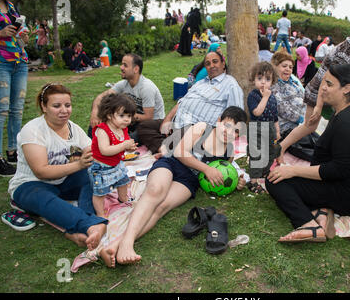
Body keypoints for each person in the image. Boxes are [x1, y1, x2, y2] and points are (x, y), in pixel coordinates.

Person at [102, 106, 248, 266]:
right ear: (219, 121)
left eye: (235, 131)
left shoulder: (229, 151)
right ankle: (127, 242)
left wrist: (237, 182)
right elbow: (179, 151)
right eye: (227, 125)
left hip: (189, 181)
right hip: (172, 164)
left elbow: (226, 172)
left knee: (161, 207)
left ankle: (117, 245)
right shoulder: (202, 128)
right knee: (155, 191)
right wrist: (207, 169)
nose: (229, 133)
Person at [266, 64, 350, 243]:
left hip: (346, 195)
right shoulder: (347, 110)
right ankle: (321, 212)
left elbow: (338, 169)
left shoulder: (347, 122)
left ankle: (308, 224)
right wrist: (318, 104)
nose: (323, 87)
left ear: (346, 88)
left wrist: (293, 170)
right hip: (344, 187)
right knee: (285, 177)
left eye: (329, 84)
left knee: (275, 181)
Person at [7, 84, 108, 248]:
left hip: (63, 182)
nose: (64, 110)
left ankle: (83, 223)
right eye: (56, 106)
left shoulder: (73, 128)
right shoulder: (32, 130)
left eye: (67, 105)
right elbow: (41, 171)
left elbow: (93, 151)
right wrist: (80, 164)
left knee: (94, 173)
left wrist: (110, 150)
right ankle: (91, 225)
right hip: (31, 185)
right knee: (44, 199)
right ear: (44, 107)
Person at [277, 12, 350, 164]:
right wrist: (319, 105)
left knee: (321, 126)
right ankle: (282, 147)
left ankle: (332, 153)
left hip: (330, 93)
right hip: (319, 92)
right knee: (309, 126)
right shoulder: (343, 53)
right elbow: (327, 80)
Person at [141, 51, 244, 155]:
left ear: (223, 63)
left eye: (215, 62)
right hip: (176, 122)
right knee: (144, 126)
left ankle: (169, 149)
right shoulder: (201, 82)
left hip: (195, 130)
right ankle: (166, 148)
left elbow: (236, 115)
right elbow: (182, 102)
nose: (211, 65)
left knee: (180, 138)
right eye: (207, 64)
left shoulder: (231, 85)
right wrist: (167, 119)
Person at [90, 53, 165, 153]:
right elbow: (101, 97)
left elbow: (148, 117)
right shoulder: (124, 84)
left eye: (125, 65)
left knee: (124, 141)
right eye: (122, 64)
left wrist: (121, 117)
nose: (121, 67)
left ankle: (107, 149)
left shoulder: (146, 88)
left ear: (136, 69)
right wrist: (95, 113)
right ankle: (92, 147)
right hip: (130, 120)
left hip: (148, 125)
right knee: (98, 124)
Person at [0, 0, 30, 177]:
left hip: (19, 60)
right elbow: (2, 33)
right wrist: (0, 33)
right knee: (1, 110)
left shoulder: (11, 6)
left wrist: (24, 37)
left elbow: (16, 35)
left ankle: (13, 152)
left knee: (17, 109)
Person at [89, 93, 138, 218]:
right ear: (109, 115)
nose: (127, 119)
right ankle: (101, 214)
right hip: (102, 167)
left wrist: (130, 148)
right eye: (122, 115)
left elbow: (123, 146)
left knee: (123, 182)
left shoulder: (122, 128)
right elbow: (105, 150)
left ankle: (123, 199)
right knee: (100, 193)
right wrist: (124, 145)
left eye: (129, 116)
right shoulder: (102, 130)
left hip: (117, 164)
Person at [247, 62, 280, 194]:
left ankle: (265, 173)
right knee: (257, 154)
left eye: (267, 79)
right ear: (253, 79)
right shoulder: (253, 95)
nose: (263, 82)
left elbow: (275, 116)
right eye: (259, 78)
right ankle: (253, 180)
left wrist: (277, 130)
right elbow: (256, 112)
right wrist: (265, 97)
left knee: (270, 152)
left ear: (272, 81)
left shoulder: (272, 97)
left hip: (270, 127)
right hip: (257, 128)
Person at [270, 51, 306, 141]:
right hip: (287, 127)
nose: (288, 69)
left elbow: (304, 97)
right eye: (284, 66)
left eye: (290, 67)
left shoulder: (293, 82)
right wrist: (303, 120)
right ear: (275, 67)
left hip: (303, 121)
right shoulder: (273, 86)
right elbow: (283, 110)